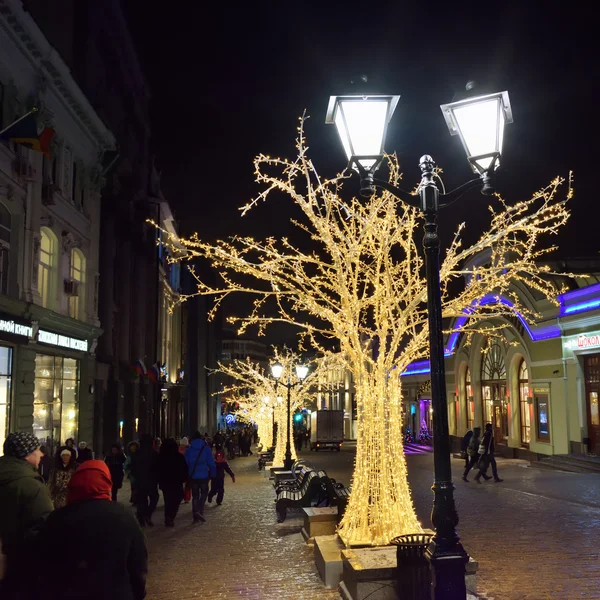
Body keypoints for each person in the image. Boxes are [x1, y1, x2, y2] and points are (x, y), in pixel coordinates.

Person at [37, 460, 148, 600]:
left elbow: (46, 563)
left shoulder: (58, 518)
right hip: (116, 593)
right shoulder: (124, 515)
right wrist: (137, 593)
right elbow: (138, 562)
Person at [0, 432, 53, 597]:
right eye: (37, 449)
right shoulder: (31, 486)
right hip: (20, 567)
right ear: (26, 454)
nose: (41, 454)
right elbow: (43, 529)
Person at [185, 431, 216, 523]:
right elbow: (211, 463)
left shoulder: (189, 450)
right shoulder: (206, 449)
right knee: (204, 494)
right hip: (204, 476)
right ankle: (200, 510)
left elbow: (186, 463)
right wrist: (213, 474)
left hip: (193, 476)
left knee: (195, 496)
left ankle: (195, 514)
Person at [130, 434, 159, 527]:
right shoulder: (154, 453)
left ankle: (142, 519)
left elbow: (133, 467)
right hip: (151, 480)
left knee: (142, 500)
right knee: (154, 498)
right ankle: (147, 514)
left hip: (140, 480)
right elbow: (157, 468)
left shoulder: (136, 453)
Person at [157, 438, 188, 527]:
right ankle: (170, 517)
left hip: (165, 483)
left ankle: (168, 517)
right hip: (176, 482)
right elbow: (184, 469)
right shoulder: (178, 457)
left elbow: (156, 470)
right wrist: (184, 478)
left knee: (168, 500)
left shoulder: (160, 457)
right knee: (176, 499)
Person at [179, 437, 191, 503]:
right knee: (187, 485)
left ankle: (182, 497)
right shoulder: (189, 450)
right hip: (187, 469)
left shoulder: (178, 450)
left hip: (181, 469)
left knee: (183, 485)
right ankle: (186, 497)